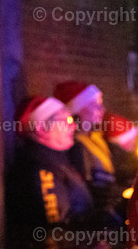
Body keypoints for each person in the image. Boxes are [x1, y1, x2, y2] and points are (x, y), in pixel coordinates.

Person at [5, 96, 93, 232]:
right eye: (66, 120)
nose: (73, 126)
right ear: (41, 128)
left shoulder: (54, 157)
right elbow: (54, 232)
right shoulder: (40, 167)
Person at [53, 81, 124, 217]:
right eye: (95, 106)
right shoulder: (76, 145)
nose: (102, 110)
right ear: (78, 109)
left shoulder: (94, 138)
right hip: (97, 214)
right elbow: (88, 189)